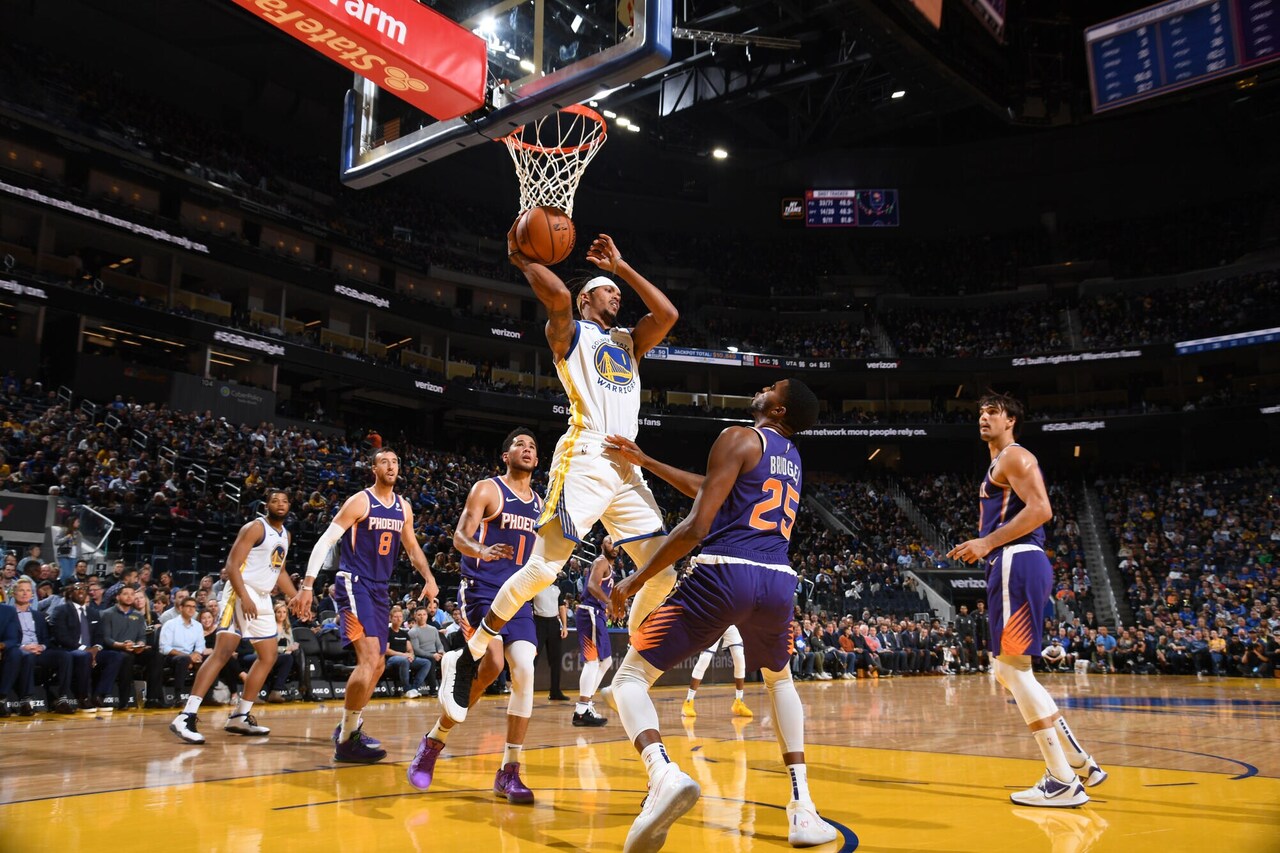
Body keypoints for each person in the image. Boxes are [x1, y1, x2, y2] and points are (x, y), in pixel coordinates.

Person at [438, 230, 679, 725]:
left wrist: (623, 268)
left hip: (628, 465)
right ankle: (470, 652)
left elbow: (669, 316)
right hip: (587, 454)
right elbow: (558, 299)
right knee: (545, 570)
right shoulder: (571, 334)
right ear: (587, 298)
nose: (616, 296)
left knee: (663, 574)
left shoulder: (629, 343)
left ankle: (628, 665)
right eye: (606, 290)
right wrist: (522, 260)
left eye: (617, 292)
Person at [601, 379, 838, 851]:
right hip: (777, 582)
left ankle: (661, 773)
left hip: (724, 573)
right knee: (781, 681)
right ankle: (803, 809)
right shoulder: (789, 457)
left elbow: (696, 525)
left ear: (779, 407)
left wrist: (638, 577)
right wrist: (647, 463)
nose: (764, 386)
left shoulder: (737, 436)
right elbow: (713, 488)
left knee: (627, 681)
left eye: (773, 386)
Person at [948, 392, 1107, 808]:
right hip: (1016, 563)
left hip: (1014, 561)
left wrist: (986, 542)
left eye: (993, 412)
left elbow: (1041, 509)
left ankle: (1062, 778)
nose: (983, 418)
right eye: (980, 412)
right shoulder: (999, 462)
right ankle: (1078, 761)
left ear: (1011, 419)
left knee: (1012, 671)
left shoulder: (1015, 457)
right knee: (1010, 671)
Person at [408, 428, 542, 803]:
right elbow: (459, 537)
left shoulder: (541, 504)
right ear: (506, 455)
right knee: (492, 664)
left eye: (532, 446)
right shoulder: (487, 489)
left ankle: (509, 771)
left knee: (526, 671)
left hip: (519, 599)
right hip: (482, 590)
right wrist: (481, 551)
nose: (527, 449)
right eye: (520, 444)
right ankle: (434, 742)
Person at [293, 449, 439, 763]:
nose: (391, 466)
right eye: (384, 461)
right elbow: (326, 541)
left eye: (396, 461)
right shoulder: (360, 501)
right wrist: (307, 584)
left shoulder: (403, 507)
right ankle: (346, 742)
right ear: (373, 468)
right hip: (354, 581)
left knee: (380, 664)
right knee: (370, 658)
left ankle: (349, 726)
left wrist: (428, 577)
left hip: (379, 588)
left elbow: (412, 547)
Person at [170, 490, 298, 744]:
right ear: (266, 505)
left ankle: (240, 715)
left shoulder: (286, 535)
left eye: (284, 501)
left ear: (289, 506)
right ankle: (186, 716)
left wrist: (296, 597)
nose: (280, 504)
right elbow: (232, 565)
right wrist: (244, 596)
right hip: (238, 592)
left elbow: (279, 570)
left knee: (269, 656)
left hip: (262, 595)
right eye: (274, 500)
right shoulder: (254, 527)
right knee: (223, 652)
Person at [573, 536, 615, 727]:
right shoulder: (601, 561)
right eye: (608, 542)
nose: (613, 545)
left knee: (606, 662)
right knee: (592, 662)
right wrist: (608, 602)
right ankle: (581, 709)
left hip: (598, 614)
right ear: (602, 545)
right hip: (590, 612)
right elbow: (591, 585)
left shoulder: (611, 567)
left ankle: (586, 704)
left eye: (615, 543)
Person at [682, 625, 753, 719]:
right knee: (704, 659)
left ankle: (739, 702)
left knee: (739, 658)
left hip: (729, 624)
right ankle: (688, 701)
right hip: (714, 624)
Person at [532, 580, 570, 701]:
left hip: (554, 623)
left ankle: (555, 691)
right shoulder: (535, 584)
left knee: (556, 660)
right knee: (533, 659)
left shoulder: (557, 586)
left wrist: (564, 626)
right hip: (538, 622)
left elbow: (562, 606)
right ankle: (526, 690)